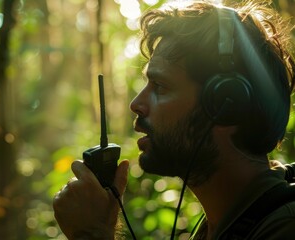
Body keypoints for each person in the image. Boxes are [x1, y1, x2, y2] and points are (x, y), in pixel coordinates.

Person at [53, 1, 295, 239]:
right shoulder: (224, 221)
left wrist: (93, 234)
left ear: (225, 102)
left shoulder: (284, 228)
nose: (136, 104)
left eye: (160, 86)